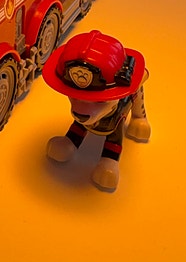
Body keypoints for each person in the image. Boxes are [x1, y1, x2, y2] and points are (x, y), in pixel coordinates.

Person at [42, 30, 151, 191]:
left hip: (121, 109)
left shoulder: (116, 114)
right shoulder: (83, 113)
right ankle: (70, 142)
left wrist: (110, 161)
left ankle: (139, 118)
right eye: (75, 97)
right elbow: (79, 125)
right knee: (81, 123)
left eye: (99, 101)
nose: (80, 109)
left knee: (136, 100)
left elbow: (114, 140)